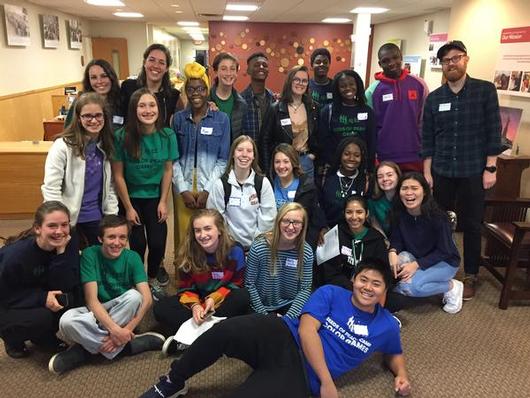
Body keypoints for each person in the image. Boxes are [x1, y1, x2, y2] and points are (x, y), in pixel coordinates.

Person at [140, 259, 411, 398]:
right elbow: (306, 331)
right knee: (223, 331)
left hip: (302, 375)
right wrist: (328, 385)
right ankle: (173, 382)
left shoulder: (386, 326)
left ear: (385, 290)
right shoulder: (330, 293)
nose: (367, 287)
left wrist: (401, 375)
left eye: (376, 284)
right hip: (282, 334)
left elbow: (393, 351)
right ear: (354, 280)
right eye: (363, 279)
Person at [422, 40, 502, 301]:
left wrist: (491, 167)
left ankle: (470, 274)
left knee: (471, 224)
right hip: (442, 169)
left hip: (473, 169)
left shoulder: (484, 91)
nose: (451, 63)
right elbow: (428, 139)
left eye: (455, 58)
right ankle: (441, 265)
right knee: (439, 220)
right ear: (442, 66)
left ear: (466, 59)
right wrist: (427, 172)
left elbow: (494, 132)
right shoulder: (435, 98)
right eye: (446, 61)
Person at [49, 215, 164, 374]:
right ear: (100, 238)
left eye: (122, 237)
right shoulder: (90, 254)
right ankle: (128, 346)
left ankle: (84, 351)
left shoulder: (132, 257)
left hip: (120, 310)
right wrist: (117, 332)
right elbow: (91, 300)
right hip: (95, 311)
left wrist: (126, 329)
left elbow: (147, 299)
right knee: (66, 321)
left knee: (135, 297)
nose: (117, 243)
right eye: (111, 237)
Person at [153, 209, 250, 355]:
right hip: (198, 299)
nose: (203, 235)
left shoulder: (235, 251)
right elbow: (185, 288)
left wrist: (213, 298)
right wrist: (195, 306)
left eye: (208, 229)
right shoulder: (187, 252)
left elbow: (236, 284)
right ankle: (213, 336)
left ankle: (189, 338)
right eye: (197, 230)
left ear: (220, 230)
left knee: (243, 297)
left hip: (223, 300)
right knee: (160, 308)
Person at [112, 88, 178, 297]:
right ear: (134, 109)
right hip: (131, 198)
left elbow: (168, 170)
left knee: (158, 243)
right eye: (142, 105)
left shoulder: (167, 135)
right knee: (138, 243)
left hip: (155, 198)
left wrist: (163, 201)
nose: (148, 110)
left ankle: (152, 277)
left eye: (152, 105)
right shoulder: (122, 136)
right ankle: (138, 281)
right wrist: (128, 208)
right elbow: (118, 176)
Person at [0, 201, 80, 359]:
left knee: (72, 297)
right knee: (42, 317)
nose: (59, 231)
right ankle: (12, 339)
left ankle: (42, 336)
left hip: (37, 294)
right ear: (37, 228)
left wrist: (61, 253)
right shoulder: (15, 256)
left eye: (64, 225)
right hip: (8, 302)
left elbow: (66, 283)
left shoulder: (68, 241)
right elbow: (5, 296)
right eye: (52, 226)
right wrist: (42, 298)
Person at [42, 92, 118, 247]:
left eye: (98, 115)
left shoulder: (106, 145)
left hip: (96, 217)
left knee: (97, 261)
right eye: (87, 116)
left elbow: (110, 186)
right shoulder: (62, 147)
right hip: (68, 219)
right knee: (70, 263)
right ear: (78, 118)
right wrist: (60, 223)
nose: (94, 120)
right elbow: (51, 189)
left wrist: (111, 216)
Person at [172, 62, 231, 244]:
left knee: (208, 235)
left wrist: (207, 190)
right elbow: (173, 159)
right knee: (185, 237)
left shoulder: (221, 119)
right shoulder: (179, 119)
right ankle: (185, 273)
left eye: (200, 89)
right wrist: (183, 190)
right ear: (185, 92)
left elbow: (223, 160)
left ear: (207, 90)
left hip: (210, 186)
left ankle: (206, 273)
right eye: (190, 89)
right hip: (183, 187)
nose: (196, 93)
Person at [388, 173, 463, 314]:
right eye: (404, 188)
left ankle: (452, 286)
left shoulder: (438, 217)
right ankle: (413, 280)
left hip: (445, 262)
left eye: (414, 188)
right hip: (417, 256)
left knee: (410, 288)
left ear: (424, 191)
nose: (409, 193)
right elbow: (397, 239)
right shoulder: (399, 213)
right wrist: (392, 251)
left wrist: (415, 265)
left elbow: (444, 251)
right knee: (396, 263)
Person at [365, 43, 428, 172]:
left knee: (411, 192)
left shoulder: (419, 84)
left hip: (414, 154)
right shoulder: (372, 91)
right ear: (380, 64)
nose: (392, 63)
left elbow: (424, 120)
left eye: (395, 58)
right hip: (385, 156)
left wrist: (424, 149)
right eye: (385, 61)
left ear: (401, 57)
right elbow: (369, 127)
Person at [206, 136, 276, 249]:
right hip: (229, 247)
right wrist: (230, 243)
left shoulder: (263, 183)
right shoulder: (221, 185)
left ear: (254, 156)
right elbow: (215, 218)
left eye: (249, 151)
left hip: (258, 247)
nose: (244, 154)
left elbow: (269, 217)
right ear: (233, 154)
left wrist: (256, 245)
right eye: (239, 150)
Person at [245, 202, 313, 319]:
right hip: (259, 306)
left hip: (290, 306)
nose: (290, 227)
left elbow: (305, 289)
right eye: (286, 221)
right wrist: (265, 316)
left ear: (303, 226)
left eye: (296, 222)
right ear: (278, 222)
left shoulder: (306, 252)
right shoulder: (259, 247)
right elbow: (249, 285)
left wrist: (288, 318)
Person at [260, 65, 319, 179]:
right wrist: (268, 168)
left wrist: (313, 155)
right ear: (289, 81)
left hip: (305, 161)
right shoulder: (276, 108)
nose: (300, 83)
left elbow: (320, 135)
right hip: (282, 163)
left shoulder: (313, 108)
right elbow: (264, 140)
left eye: (304, 81)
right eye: (296, 79)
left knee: (305, 196)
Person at [320, 195, 388, 290]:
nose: (354, 217)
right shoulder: (335, 235)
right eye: (349, 212)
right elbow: (329, 272)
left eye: (359, 212)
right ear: (344, 213)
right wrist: (349, 286)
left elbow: (383, 272)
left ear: (367, 213)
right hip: (339, 288)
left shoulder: (377, 240)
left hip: (367, 290)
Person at [318, 69, 376, 174]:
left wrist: (369, 168)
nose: (348, 88)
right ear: (337, 89)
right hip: (335, 168)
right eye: (343, 86)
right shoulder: (328, 111)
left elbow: (371, 141)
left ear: (357, 85)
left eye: (351, 84)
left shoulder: (367, 111)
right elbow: (323, 142)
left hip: (361, 168)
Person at [271, 143, 326, 248]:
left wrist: (306, 246)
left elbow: (314, 218)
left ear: (293, 162)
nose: (281, 166)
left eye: (286, 161)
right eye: (277, 162)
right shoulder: (268, 182)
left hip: (299, 241)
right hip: (274, 239)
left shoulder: (306, 185)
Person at [120, 43, 183, 127]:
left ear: (167, 68)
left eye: (161, 62)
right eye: (152, 60)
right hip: (131, 139)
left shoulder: (173, 95)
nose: (156, 65)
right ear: (144, 62)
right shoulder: (128, 87)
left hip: (161, 140)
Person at [321, 136, 369, 227]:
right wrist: (322, 227)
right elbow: (320, 208)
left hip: (355, 231)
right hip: (328, 230)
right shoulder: (327, 177)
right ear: (340, 155)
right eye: (347, 154)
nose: (351, 158)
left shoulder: (366, 180)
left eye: (357, 155)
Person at [65, 59, 123, 129]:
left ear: (112, 77)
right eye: (94, 77)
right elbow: (69, 131)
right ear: (88, 80)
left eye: (104, 76)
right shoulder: (80, 102)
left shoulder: (122, 100)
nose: (99, 81)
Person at [210, 52, 248, 142]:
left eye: (232, 69)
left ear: (236, 73)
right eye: (223, 69)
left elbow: (243, 138)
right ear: (216, 72)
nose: (228, 73)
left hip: (232, 154)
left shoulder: (241, 104)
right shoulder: (205, 100)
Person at [240, 52, 275, 142]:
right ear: (248, 70)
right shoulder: (240, 100)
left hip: (270, 153)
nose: (261, 67)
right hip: (249, 153)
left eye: (264, 65)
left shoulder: (274, 99)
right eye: (256, 65)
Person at [368, 161, 402, 238]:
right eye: (380, 177)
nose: (385, 179)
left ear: (398, 176)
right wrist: (384, 241)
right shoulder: (372, 202)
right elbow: (376, 225)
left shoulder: (407, 198)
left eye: (389, 175)